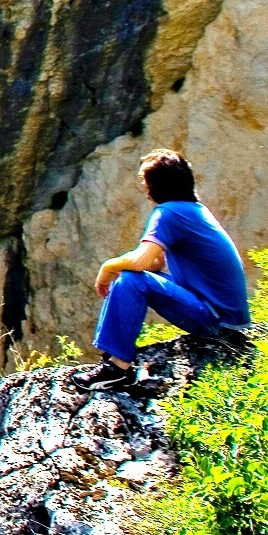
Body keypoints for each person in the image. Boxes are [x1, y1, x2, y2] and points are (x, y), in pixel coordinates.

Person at [81, 148, 251, 389]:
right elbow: (155, 263)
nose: (145, 190)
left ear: (156, 186)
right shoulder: (194, 210)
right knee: (133, 278)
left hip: (218, 321)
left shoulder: (169, 213)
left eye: (146, 183)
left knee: (131, 279)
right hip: (227, 317)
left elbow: (140, 262)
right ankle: (114, 357)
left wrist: (108, 268)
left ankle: (118, 368)